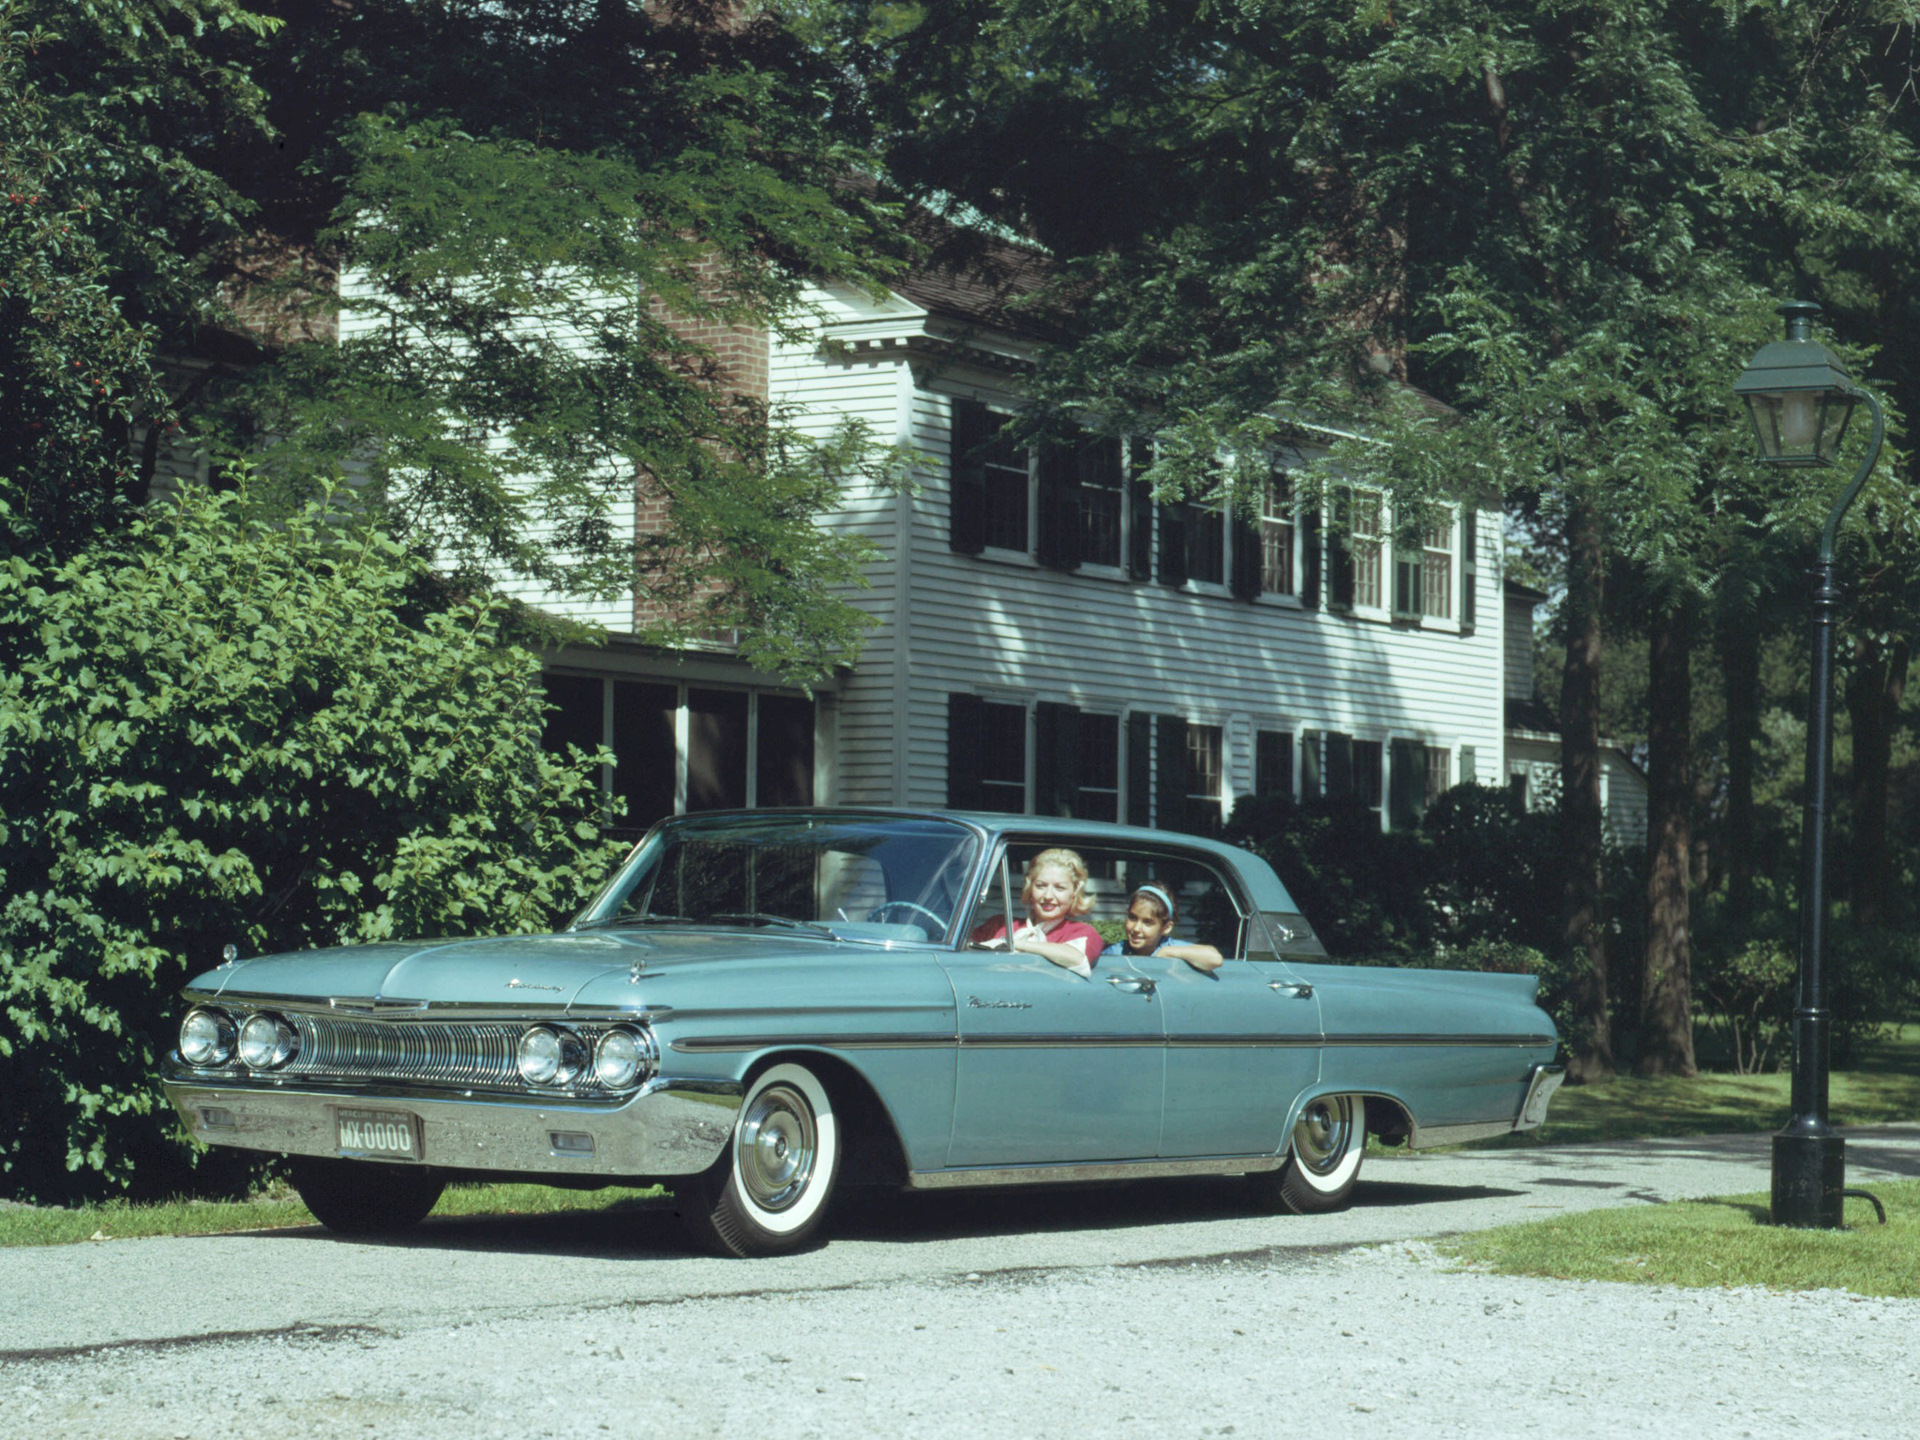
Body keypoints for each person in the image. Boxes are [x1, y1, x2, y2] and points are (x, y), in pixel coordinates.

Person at [969, 847, 1105, 977]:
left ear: (1074, 892)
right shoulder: (999, 924)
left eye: (1060, 888)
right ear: (1030, 888)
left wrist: (1015, 944)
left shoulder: (1082, 932)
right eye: (1041, 886)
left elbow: (1075, 958)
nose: (1048, 896)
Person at [1101, 884, 1224, 972]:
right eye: (1133, 918)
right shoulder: (1117, 951)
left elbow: (1215, 959)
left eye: (1147, 922)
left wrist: (1168, 952)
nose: (1136, 928)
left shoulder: (1170, 946)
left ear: (1166, 927)